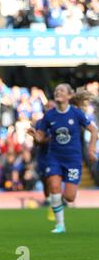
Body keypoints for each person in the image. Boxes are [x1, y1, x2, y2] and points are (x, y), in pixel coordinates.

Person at [35, 84, 97, 234]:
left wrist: (91, 149)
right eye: (56, 91)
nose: (57, 92)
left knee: (69, 197)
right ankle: (60, 225)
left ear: (69, 96)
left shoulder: (76, 113)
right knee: (54, 187)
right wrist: (35, 135)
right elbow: (41, 137)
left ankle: (58, 204)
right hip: (54, 157)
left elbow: (94, 130)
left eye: (61, 90)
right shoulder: (49, 115)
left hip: (73, 159)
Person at [28, 100, 56, 221]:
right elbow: (37, 143)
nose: (49, 109)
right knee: (44, 180)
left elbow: (53, 139)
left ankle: (55, 202)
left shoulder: (59, 122)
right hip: (43, 155)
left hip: (55, 155)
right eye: (47, 107)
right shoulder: (40, 123)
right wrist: (35, 137)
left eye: (52, 107)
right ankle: (49, 199)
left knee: (53, 179)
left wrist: (41, 139)